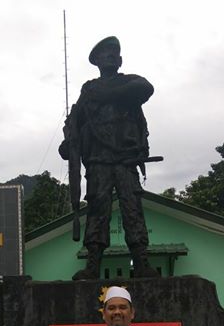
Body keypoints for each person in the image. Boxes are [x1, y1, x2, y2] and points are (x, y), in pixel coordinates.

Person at [59, 36, 160, 280]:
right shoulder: (89, 91)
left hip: (125, 160)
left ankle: (142, 261)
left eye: (114, 53)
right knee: (97, 210)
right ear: (97, 62)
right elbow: (77, 122)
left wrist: (109, 94)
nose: (111, 57)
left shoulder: (130, 84)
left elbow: (146, 87)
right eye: (106, 54)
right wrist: (69, 144)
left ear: (121, 59)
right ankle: (93, 264)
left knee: (132, 208)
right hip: (98, 161)